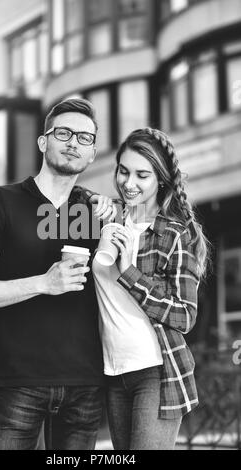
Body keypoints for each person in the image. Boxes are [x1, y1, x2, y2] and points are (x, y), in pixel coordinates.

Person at [0, 98, 115, 450]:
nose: (74, 142)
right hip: (19, 385)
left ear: (92, 155)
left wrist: (114, 215)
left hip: (84, 386)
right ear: (44, 142)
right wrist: (44, 283)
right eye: (64, 133)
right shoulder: (0, 202)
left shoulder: (95, 211)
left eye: (85, 138)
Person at [92, 127, 209, 450]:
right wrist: (91, 199)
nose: (129, 183)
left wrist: (129, 272)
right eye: (123, 171)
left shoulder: (174, 235)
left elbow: (185, 316)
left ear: (160, 179)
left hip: (156, 372)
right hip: (113, 371)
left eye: (142, 175)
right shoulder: (108, 217)